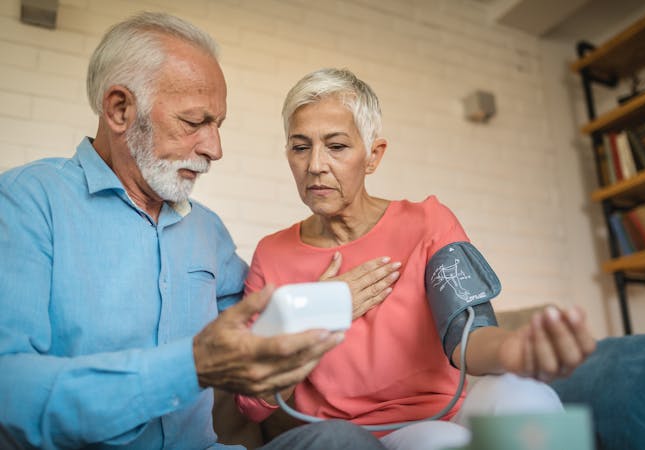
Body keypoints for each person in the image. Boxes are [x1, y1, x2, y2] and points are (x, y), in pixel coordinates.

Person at [0, 14, 395, 450]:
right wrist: (191, 366)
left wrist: (324, 303)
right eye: (194, 123)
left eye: (218, 125)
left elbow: (256, 324)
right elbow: (11, 393)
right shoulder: (26, 203)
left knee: (340, 441)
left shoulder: (206, 229)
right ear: (119, 109)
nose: (214, 148)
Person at [234, 68, 597, 449]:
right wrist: (319, 310)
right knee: (442, 442)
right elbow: (250, 404)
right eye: (300, 146)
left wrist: (517, 351)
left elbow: (467, 335)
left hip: (449, 414)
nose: (315, 165)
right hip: (355, 439)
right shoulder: (272, 255)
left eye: (337, 146)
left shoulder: (428, 222)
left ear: (373, 155)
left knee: (527, 395)